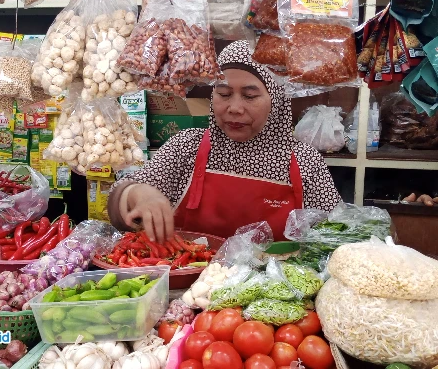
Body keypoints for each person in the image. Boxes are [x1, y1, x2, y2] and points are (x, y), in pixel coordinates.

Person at [108, 41, 342, 243]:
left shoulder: (304, 162)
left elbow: (336, 235)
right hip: (191, 289)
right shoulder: (187, 147)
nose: (235, 108)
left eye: (250, 96)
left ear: (278, 99)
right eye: (223, 94)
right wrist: (139, 194)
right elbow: (119, 201)